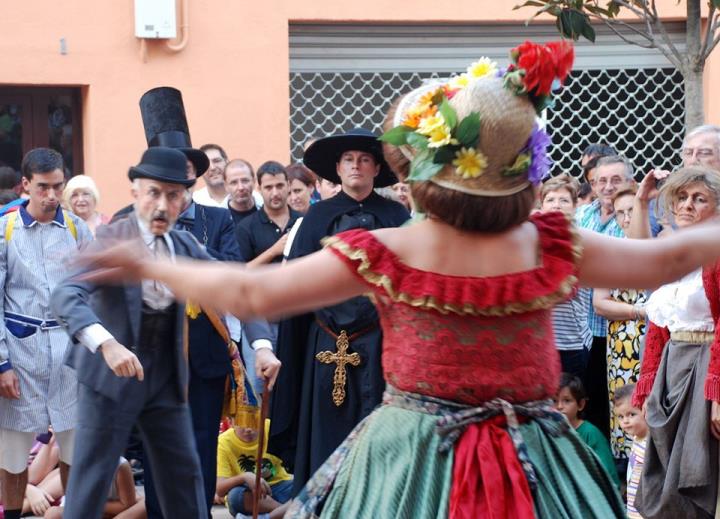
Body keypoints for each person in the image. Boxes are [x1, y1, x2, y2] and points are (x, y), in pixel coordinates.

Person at [67, 42, 720, 518]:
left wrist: (150, 262)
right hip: (536, 461)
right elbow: (668, 259)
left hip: (411, 459)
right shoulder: (551, 242)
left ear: (421, 168)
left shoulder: (391, 246)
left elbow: (251, 293)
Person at [50, 147, 280, 519]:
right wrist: (106, 343)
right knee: (91, 481)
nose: (162, 204)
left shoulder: (186, 244)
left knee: (184, 479)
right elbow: (65, 293)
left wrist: (264, 346)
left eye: (173, 195)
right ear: (136, 193)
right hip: (108, 379)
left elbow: (233, 288)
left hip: (165, 383)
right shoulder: (113, 238)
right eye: (154, 192)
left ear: (184, 199)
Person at [271, 127, 408, 492]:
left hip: (381, 343)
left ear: (377, 168)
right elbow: (297, 285)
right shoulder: (316, 219)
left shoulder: (396, 215)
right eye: (349, 160)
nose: (356, 166)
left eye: (364, 160)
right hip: (326, 341)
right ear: (337, 167)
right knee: (326, 436)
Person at [0, 148, 92, 519]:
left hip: (70, 351)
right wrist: (2, 362)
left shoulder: (76, 228)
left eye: (58, 186)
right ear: (26, 185)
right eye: (43, 187)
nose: (52, 196)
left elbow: (93, 290)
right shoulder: (5, 230)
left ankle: (76, 513)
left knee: (74, 446)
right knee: (13, 450)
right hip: (22, 352)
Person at [631, 165, 720, 518]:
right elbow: (638, 266)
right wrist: (640, 204)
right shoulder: (673, 252)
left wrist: (717, 395)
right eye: (681, 197)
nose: (687, 205)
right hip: (673, 364)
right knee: (664, 476)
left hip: (706, 364)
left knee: (699, 469)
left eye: (700, 199)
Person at [576, 154, 635, 439]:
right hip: (581, 328)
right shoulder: (581, 215)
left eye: (616, 180)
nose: (608, 186)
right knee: (583, 402)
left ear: (629, 183)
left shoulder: (636, 219)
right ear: (592, 184)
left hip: (616, 330)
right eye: (601, 180)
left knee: (614, 407)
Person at [592, 186, 647, 461]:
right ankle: (628, 474)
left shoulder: (662, 248)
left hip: (657, 340)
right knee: (626, 405)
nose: (626, 218)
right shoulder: (610, 253)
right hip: (624, 342)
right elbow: (600, 303)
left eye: (632, 210)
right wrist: (639, 311)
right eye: (620, 213)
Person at [539, 174, 592, 378]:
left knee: (567, 401)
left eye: (563, 200)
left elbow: (565, 289)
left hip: (571, 342)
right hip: (540, 341)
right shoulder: (532, 238)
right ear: (542, 204)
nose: (556, 206)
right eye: (550, 200)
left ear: (575, 205)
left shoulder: (582, 240)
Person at [216, 416, 293, 519]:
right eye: (242, 423)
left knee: (308, 486)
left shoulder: (271, 427)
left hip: (280, 487)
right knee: (235, 497)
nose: (249, 429)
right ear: (231, 422)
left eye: (254, 421)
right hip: (251, 496)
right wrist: (244, 477)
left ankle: (269, 517)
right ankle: (290, 512)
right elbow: (220, 489)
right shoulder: (223, 442)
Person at [555, 373, 619, 487]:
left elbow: (607, 475)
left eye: (567, 400)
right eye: (554, 401)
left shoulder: (590, 433)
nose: (559, 406)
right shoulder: (549, 433)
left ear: (581, 404)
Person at [236, 161, 302, 267]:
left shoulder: (303, 221)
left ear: (289, 186)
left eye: (279, 186)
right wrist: (273, 251)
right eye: (268, 187)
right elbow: (241, 272)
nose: (275, 193)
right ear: (259, 189)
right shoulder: (246, 227)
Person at [44, 457, 139, 519]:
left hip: (114, 509)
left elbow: (127, 505)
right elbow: (71, 499)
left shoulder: (120, 466)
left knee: (142, 505)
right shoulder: (68, 462)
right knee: (52, 514)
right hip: (86, 509)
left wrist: (89, 504)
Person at [613, 383, 648, 519]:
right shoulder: (636, 439)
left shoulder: (650, 444)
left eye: (631, 414)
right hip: (634, 509)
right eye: (620, 417)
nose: (625, 421)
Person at [225, 159, 258, 226]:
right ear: (226, 186)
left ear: (254, 181)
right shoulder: (219, 219)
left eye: (245, 181)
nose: (241, 187)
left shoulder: (267, 210)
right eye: (234, 182)